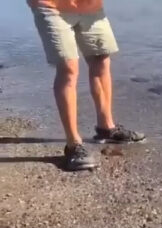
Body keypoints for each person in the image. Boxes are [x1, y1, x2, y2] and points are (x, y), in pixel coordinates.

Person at [28, 0, 145, 171]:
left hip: (91, 8)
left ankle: (107, 127)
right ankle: (73, 144)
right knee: (68, 68)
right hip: (52, 7)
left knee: (101, 60)